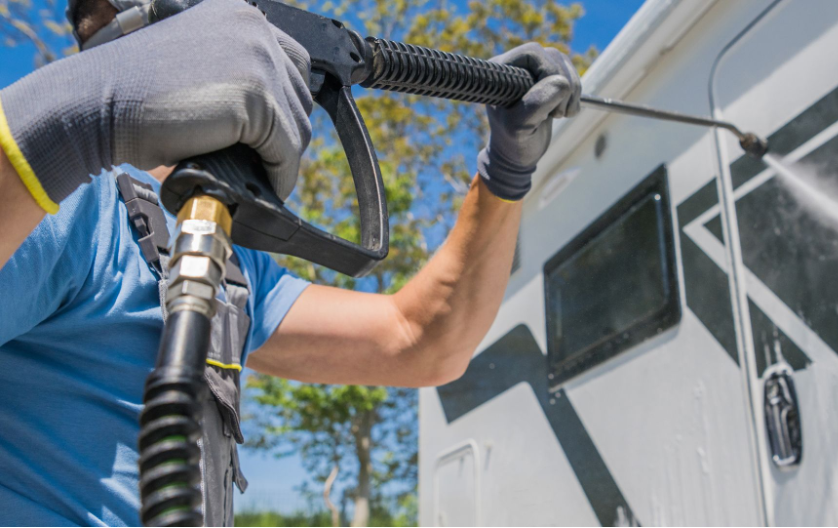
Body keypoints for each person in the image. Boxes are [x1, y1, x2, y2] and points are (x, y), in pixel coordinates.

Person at [0, 0, 582, 525]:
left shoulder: (229, 261)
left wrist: (504, 176)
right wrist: (76, 121)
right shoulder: (68, 203)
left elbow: (420, 340)